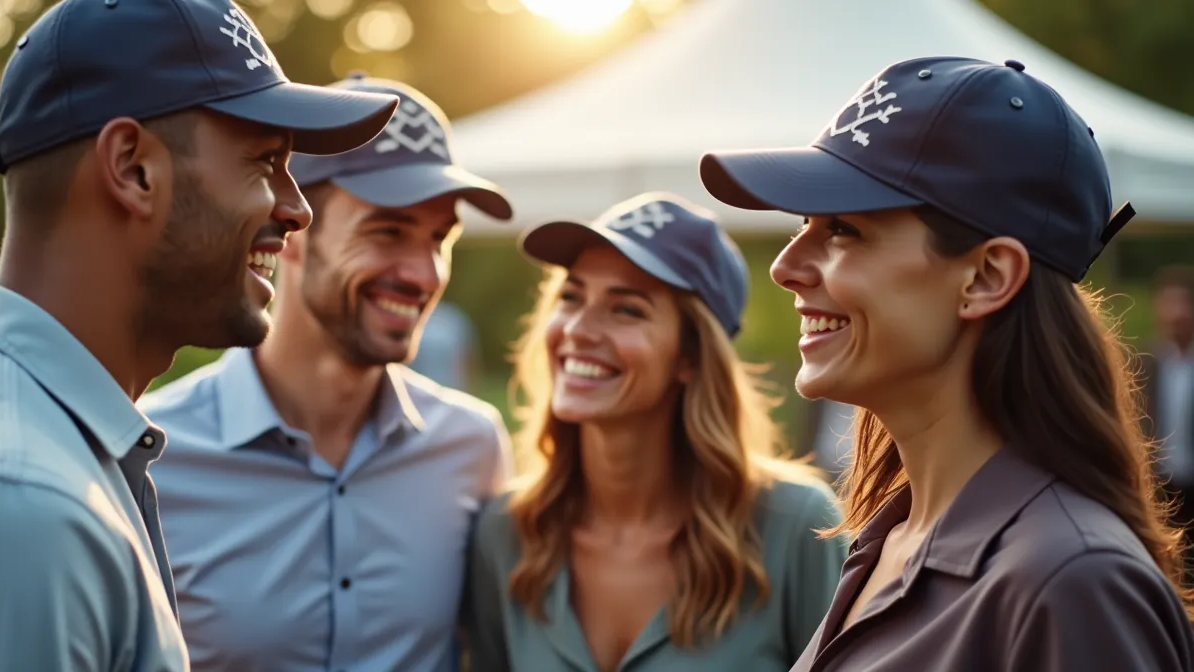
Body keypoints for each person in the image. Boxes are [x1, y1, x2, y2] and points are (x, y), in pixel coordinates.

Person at [0, 1, 398, 669]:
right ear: (133, 169)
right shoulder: (16, 509)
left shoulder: (32, 447)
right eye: (265, 160)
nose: (296, 207)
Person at [700, 55, 1194, 670]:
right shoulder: (887, 540)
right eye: (804, 223)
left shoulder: (1070, 584)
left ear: (986, 277)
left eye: (844, 229)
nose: (785, 266)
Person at [138, 75, 514, 672]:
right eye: (387, 231)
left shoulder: (472, 447)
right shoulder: (151, 455)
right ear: (292, 231)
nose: (423, 274)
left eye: (438, 239)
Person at [466, 192, 848, 671]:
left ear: (689, 356)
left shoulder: (797, 526)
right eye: (570, 296)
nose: (579, 329)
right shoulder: (505, 532)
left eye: (626, 310)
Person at [1140, 266, 1194, 568]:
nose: (1177, 314)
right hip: (1159, 486)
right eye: (1169, 305)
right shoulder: (1142, 365)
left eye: (1183, 304)